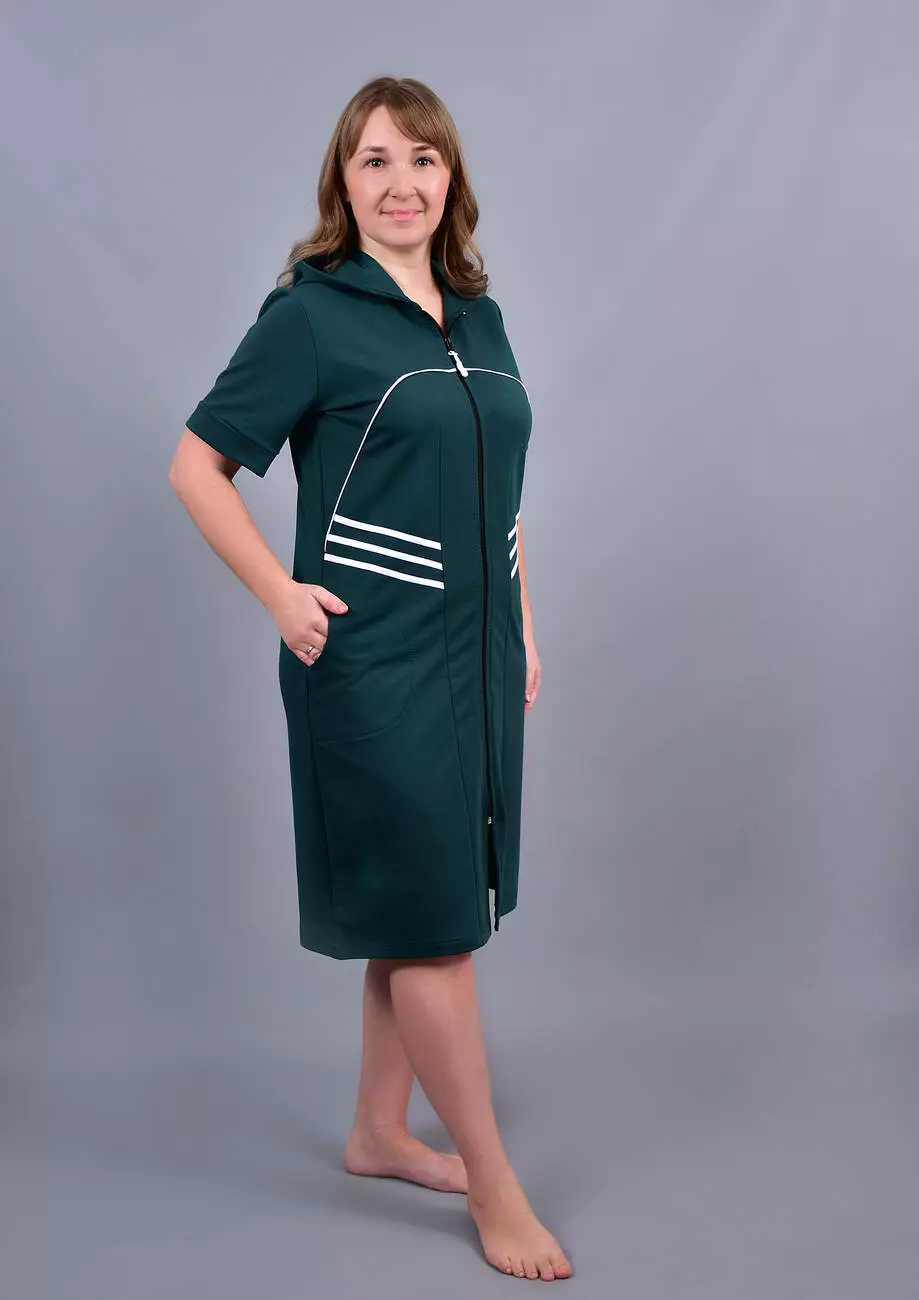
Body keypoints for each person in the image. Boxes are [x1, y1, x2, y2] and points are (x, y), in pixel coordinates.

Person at [168, 75, 571, 1282]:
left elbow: (498, 487)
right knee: (438, 926)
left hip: (476, 658)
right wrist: (279, 594)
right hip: (374, 666)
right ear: (341, 185)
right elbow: (196, 465)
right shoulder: (310, 315)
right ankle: (493, 1185)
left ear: (452, 180)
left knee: (426, 903)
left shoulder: (478, 318)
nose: (402, 184)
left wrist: (522, 624)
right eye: (375, 161)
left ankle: (378, 1132)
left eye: (423, 160)